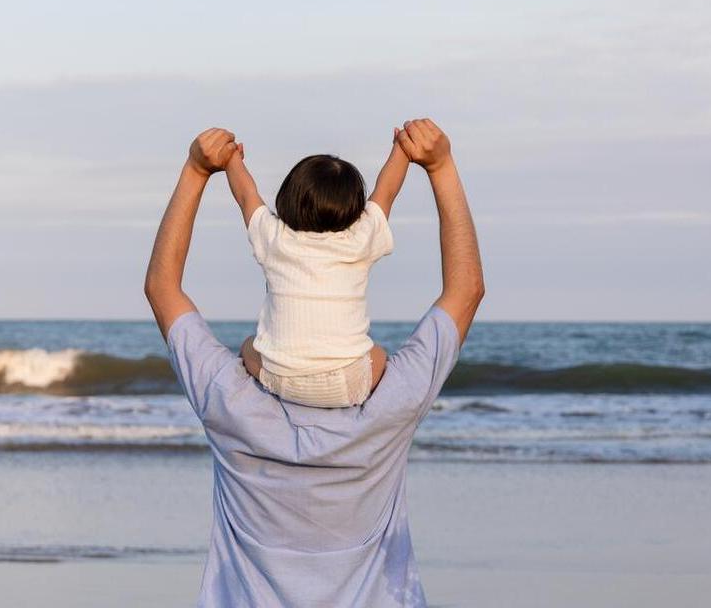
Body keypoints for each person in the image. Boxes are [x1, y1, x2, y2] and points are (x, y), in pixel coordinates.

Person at [144, 118, 485, 608]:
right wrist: (441, 167)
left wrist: (197, 172)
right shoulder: (391, 405)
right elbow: (466, 290)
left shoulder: (229, 403)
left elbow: (162, 289)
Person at [223, 133, 410, 407]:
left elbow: (245, 195)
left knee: (249, 346)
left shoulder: (274, 238)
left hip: (281, 378)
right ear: (355, 207)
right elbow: (387, 191)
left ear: (288, 197)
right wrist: (402, 149)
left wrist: (231, 160)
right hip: (348, 383)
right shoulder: (361, 240)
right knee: (378, 355)